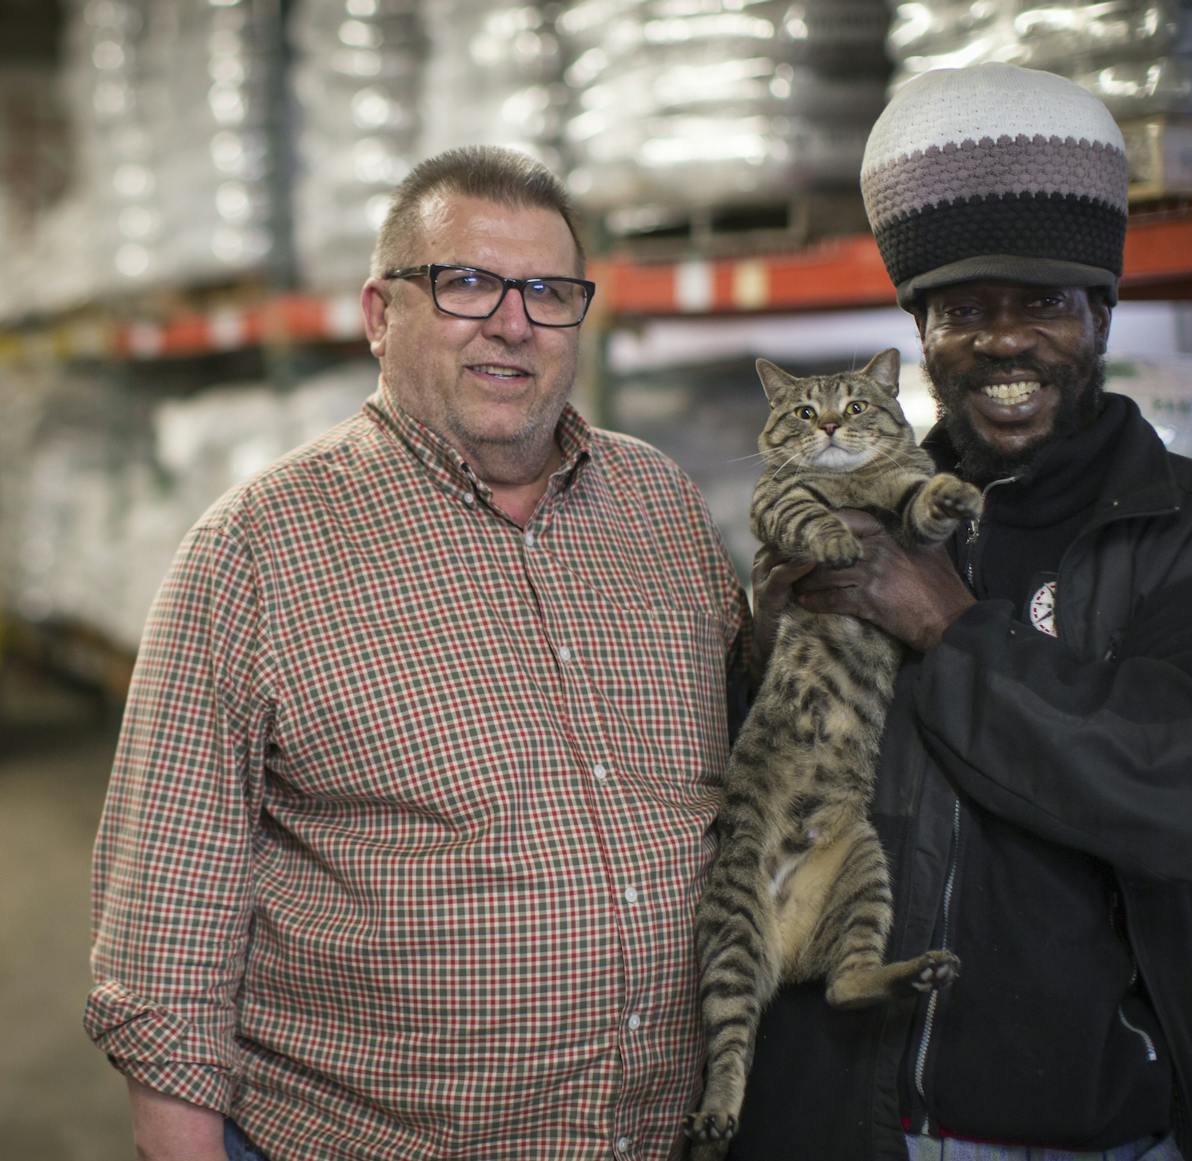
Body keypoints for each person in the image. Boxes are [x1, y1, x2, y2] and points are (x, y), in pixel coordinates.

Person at [86, 145, 751, 1161]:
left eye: (547, 290)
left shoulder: (659, 506)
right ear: (376, 315)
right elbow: (164, 939)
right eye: (467, 283)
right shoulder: (256, 551)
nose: (513, 321)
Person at [729, 64, 1192, 1161]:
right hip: (851, 1126)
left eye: (1042, 303)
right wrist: (764, 650)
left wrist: (948, 627)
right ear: (920, 333)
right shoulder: (852, 524)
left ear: (1101, 311)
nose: (1002, 342)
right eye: (962, 311)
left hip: (1100, 1135)